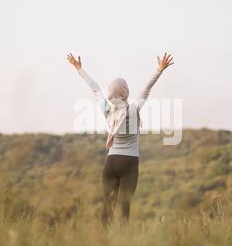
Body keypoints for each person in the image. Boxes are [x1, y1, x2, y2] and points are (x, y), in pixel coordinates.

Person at [67, 52, 174, 224]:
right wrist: (159, 70)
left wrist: (80, 69)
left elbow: (95, 89)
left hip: (111, 163)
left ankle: (103, 244)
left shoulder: (108, 110)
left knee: (107, 207)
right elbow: (146, 89)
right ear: (126, 91)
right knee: (125, 208)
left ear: (111, 93)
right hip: (130, 163)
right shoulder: (134, 109)